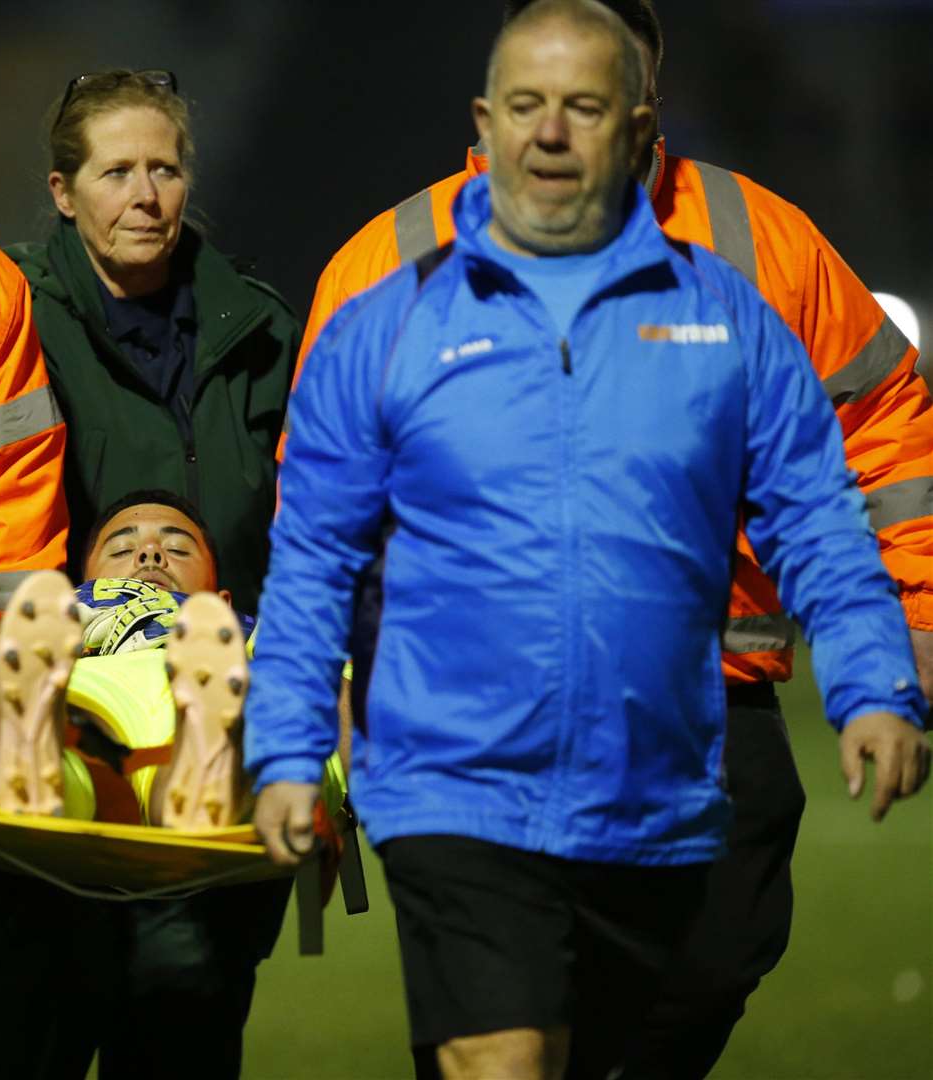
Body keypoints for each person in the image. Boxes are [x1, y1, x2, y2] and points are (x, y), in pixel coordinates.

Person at [246, 4, 930, 1080]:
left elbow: (814, 509)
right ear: (484, 119)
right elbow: (314, 550)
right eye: (526, 107)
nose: (552, 134)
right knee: (501, 1056)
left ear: (641, 124)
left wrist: (880, 677)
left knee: (667, 1004)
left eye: (584, 108)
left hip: (667, 757)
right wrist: (290, 745)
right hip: (455, 762)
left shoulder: (723, 312)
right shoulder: (384, 307)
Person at [0, 489, 329, 1080]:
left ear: (221, 594)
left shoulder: (236, 629)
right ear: (85, 575)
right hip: (83, 695)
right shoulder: (60, 615)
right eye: (123, 546)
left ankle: (199, 763)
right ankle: (36, 750)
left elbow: (322, 689)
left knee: (260, 728)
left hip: (189, 693)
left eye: (175, 547)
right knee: (65, 742)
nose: (150, 554)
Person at [7, 69, 299, 616]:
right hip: (82, 670)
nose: (146, 196)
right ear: (64, 193)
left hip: (242, 664)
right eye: (117, 172)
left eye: (163, 170)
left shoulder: (263, 330)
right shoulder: (16, 320)